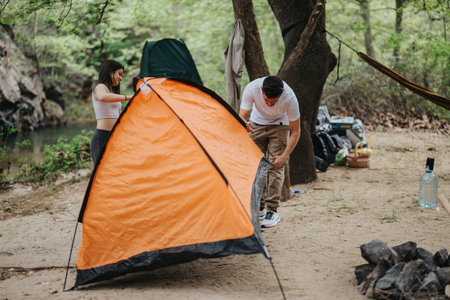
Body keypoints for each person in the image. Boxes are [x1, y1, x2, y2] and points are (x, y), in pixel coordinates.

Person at [239, 75, 301, 228]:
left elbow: (296, 131)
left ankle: (272, 211)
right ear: (261, 90)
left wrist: (285, 156)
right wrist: (244, 124)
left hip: (280, 125)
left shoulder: (290, 98)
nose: (269, 104)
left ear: (282, 94)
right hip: (256, 125)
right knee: (255, 165)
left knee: (275, 165)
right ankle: (258, 208)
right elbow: (242, 116)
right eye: (266, 100)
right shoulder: (252, 88)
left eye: (273, 102)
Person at [90, 60, 133, 165]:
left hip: (114, 136)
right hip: (102, 136)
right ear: (110, 72)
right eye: (119, 74)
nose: (121, 78)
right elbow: (102, 96)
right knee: (102, 173)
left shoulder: (112, 93)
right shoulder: (100, 87)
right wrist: (128, 97)